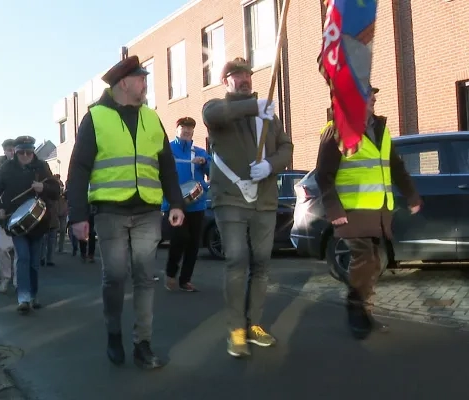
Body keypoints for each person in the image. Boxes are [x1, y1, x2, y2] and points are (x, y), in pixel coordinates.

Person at [67, 55, 184, 370]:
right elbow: (78, 168)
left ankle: (142, 343)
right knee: (116, 276)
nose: (146, 83)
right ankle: (114, 333)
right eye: (142, 78)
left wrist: (175, 202)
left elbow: (167, 165)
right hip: (111, 212)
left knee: (146, 278)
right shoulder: (96, 118)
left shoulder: (151, 117)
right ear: (124, 83)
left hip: (147, 210)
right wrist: (77, 216)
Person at [202, 57, 293, 358]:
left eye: (247, 75)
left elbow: (286, 147)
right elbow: (214, 114)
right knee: (237, 260)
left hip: (264, 199)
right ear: (225, 81)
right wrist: (255, 106)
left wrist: (270, 164)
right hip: (230, 198)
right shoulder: (219, 108)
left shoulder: (268, 115)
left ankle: (254, 324)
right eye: (236, 75)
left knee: (262, 264)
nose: (244, 79)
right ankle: (236, 330)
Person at [315, 86, 422, 339]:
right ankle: (356, 312)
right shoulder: (337, 130)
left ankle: (364, 311)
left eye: (373, 95)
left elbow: (396, 167)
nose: (373, 98)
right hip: (351, 210)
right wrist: (333, 209)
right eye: (367, 95)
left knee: (374, 263)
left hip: (379, 210)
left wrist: (412, 195)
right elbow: (323, 175)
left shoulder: (381, 130)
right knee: (366, 260)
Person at [0, 136, 60, 314]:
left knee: (34, 262)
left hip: (38, 222)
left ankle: (33, 295)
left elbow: (56, 191)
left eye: (29, 152)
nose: (26, 155)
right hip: (15, 222)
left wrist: (44, 189)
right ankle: (24, 298)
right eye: (22, 152)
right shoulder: (7, 168)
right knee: (23, 258)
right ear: (17, 152)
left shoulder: (41, 166)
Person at [162, 116, 211, 292]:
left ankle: (185, 280)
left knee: (193, 245)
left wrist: (205, 162)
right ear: (177, 130)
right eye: (183, 128)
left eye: (190, 129)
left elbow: (211, 172)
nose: (187, 131)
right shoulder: (168, 149)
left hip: (196, 204)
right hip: (174, 203)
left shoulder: (199, 152)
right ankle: (170, 272)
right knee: (179, 238)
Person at [0, 139, 18, 293]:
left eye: (13, 149)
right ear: (4, 152)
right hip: (4, 217)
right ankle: (5, 278)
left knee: (20, 251)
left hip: (21, 216)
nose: (11, 152)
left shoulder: (26, 168)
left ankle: (18, 281)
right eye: (8, 149)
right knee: (2, 249)